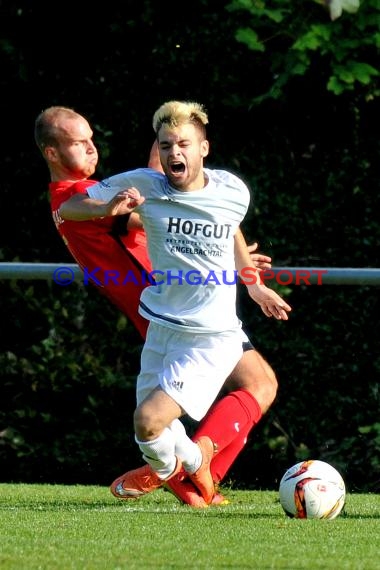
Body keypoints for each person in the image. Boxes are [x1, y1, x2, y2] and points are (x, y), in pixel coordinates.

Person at [57, 100, 291, 506]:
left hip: (210, 334)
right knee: (150, 432)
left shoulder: (233, 190)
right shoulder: (145, 187)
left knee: (151, 420)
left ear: (204, 148)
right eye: (165, 145)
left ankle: (193, 465)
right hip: (160, 325)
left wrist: (252, 284)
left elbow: (229, 226)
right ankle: (185, 470)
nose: (173, 153)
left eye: (183, 143)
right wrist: (105, 207)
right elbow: (67, 207)